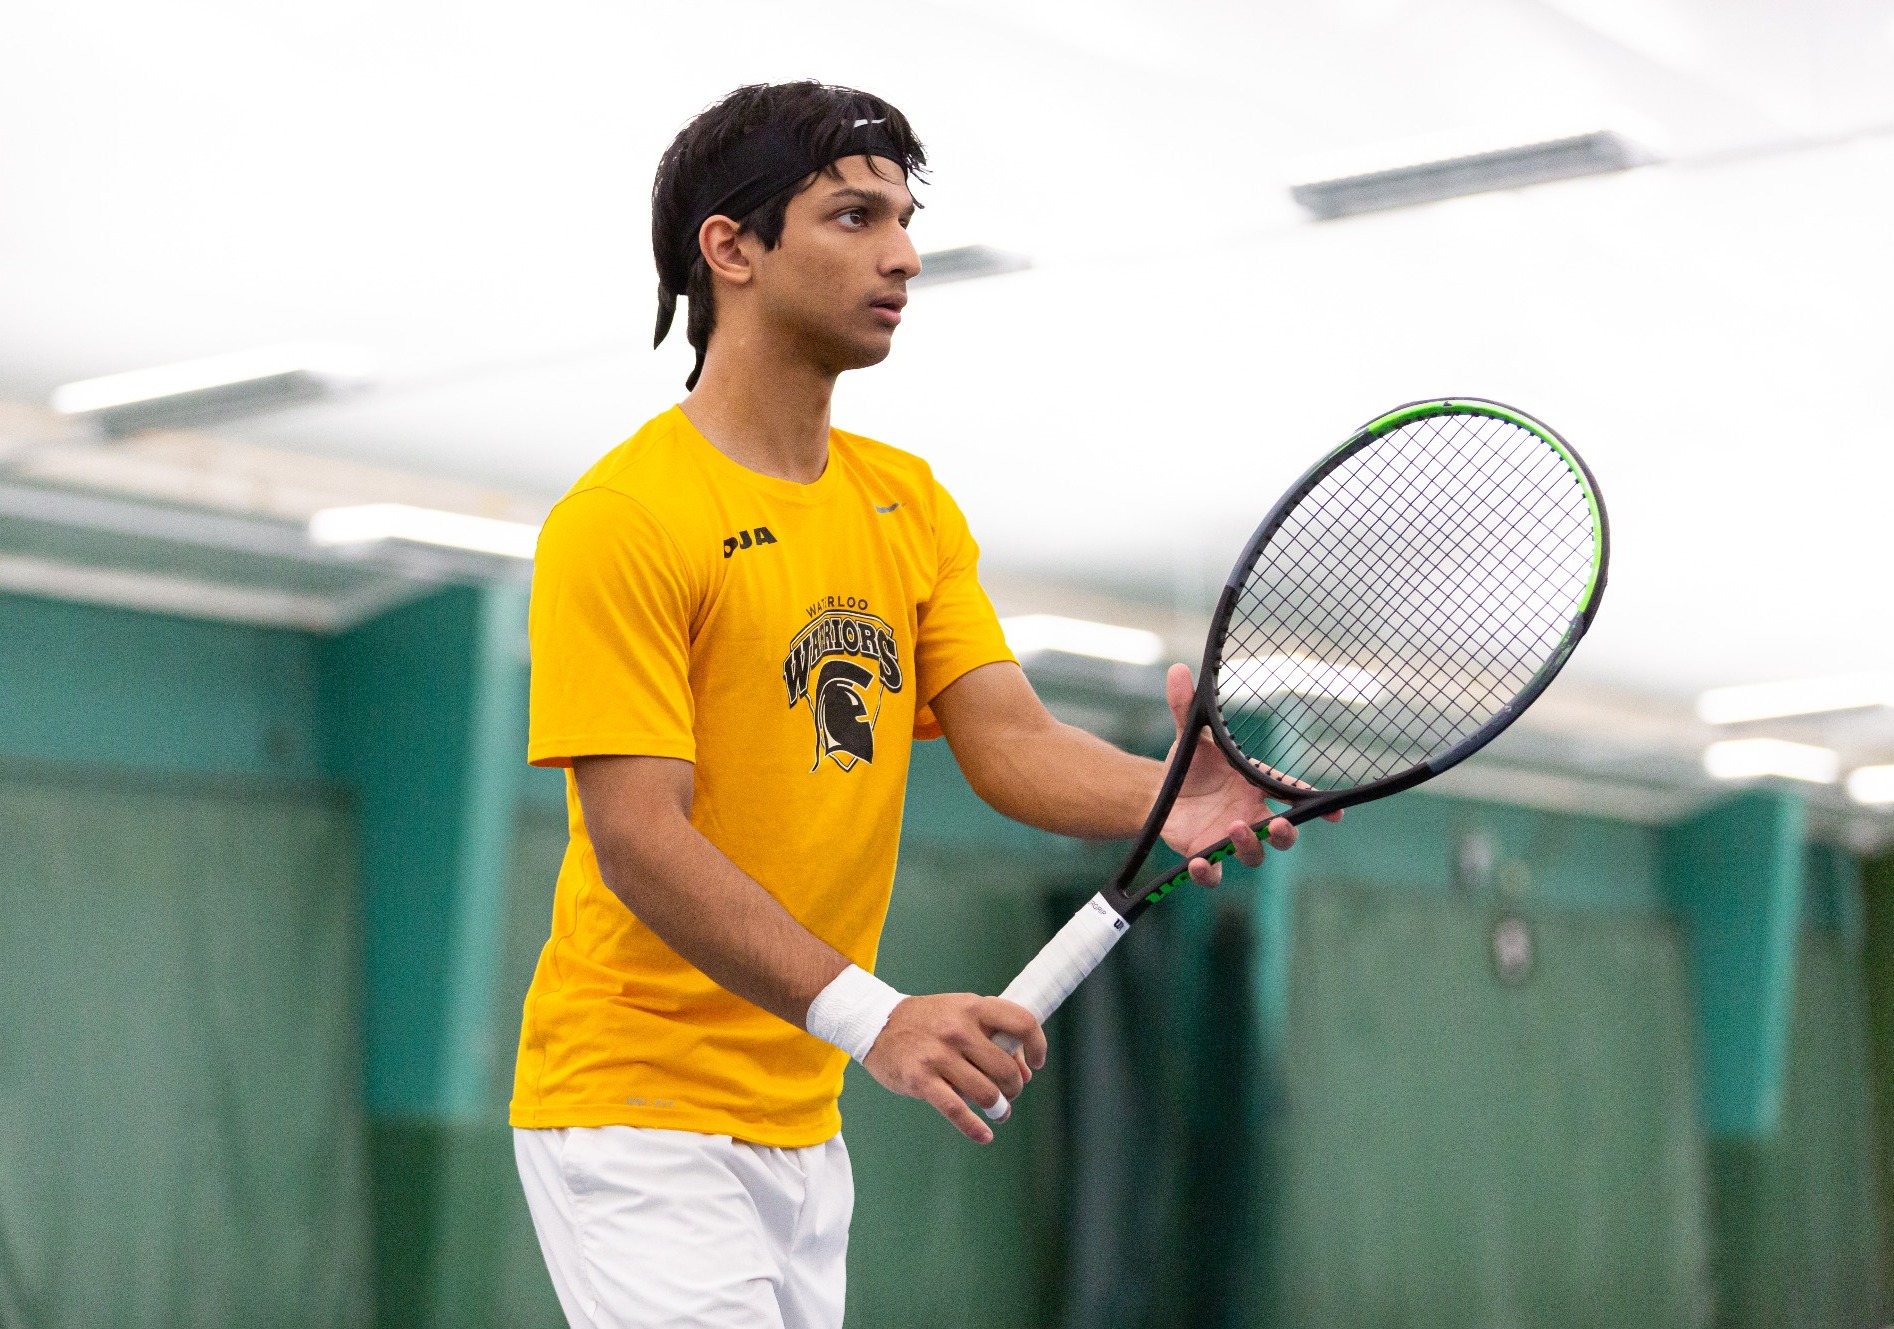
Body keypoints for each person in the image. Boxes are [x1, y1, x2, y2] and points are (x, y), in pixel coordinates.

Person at [510, 80, 1317, 1329]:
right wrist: (873, 1017)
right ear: (730, 249)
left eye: (902, 218)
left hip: (798, 1121)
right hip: (633, 1112)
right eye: (851, 216)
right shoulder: (620, 524)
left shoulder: (909, 504)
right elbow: (638, 839)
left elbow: (1010, 744)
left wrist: (1178, 798)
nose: (902, 254)